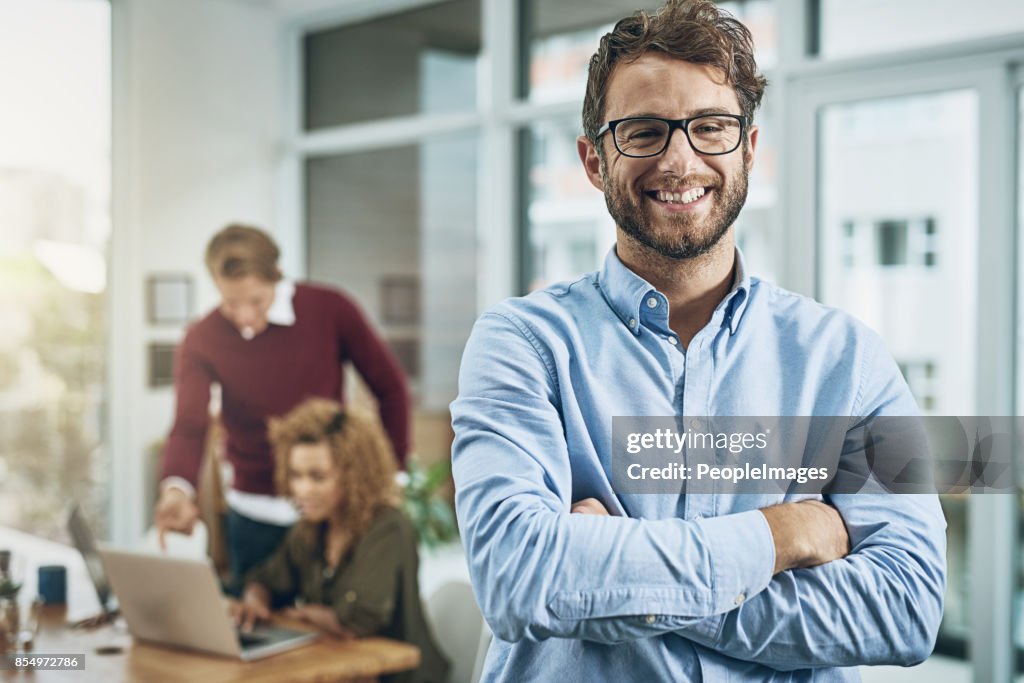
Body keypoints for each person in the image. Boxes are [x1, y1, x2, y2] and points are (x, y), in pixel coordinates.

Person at [450, 1, 946, 681]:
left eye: (710, 127)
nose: (680, 161)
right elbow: (518, 580)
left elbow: (906, 607)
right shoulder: (521, 345)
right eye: (645, 132)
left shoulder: (848, 360)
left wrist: (613, 566)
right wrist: (781, 537)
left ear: (747, 147)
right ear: (594, 160)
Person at [155, 224, 411, 588]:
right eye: (230, 303)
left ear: (275, 277)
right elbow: (189, 425)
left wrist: (392, 474)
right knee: (257, 629)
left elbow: (390, 388)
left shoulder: (330, 308)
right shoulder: (202, 339)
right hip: (253, 516)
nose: (244, 316)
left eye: (256, 301)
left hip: (330, 509)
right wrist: (177, 490)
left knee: (341, 633)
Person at [230, 398, 449, 683]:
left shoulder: (389, 528)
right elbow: (269, 579)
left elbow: (355, 622)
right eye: (296, 475)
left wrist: (300, 613)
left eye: (317, 477)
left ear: (353, 475)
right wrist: (254, 600)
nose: (303, 490)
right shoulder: (310, 527)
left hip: (396, 676)